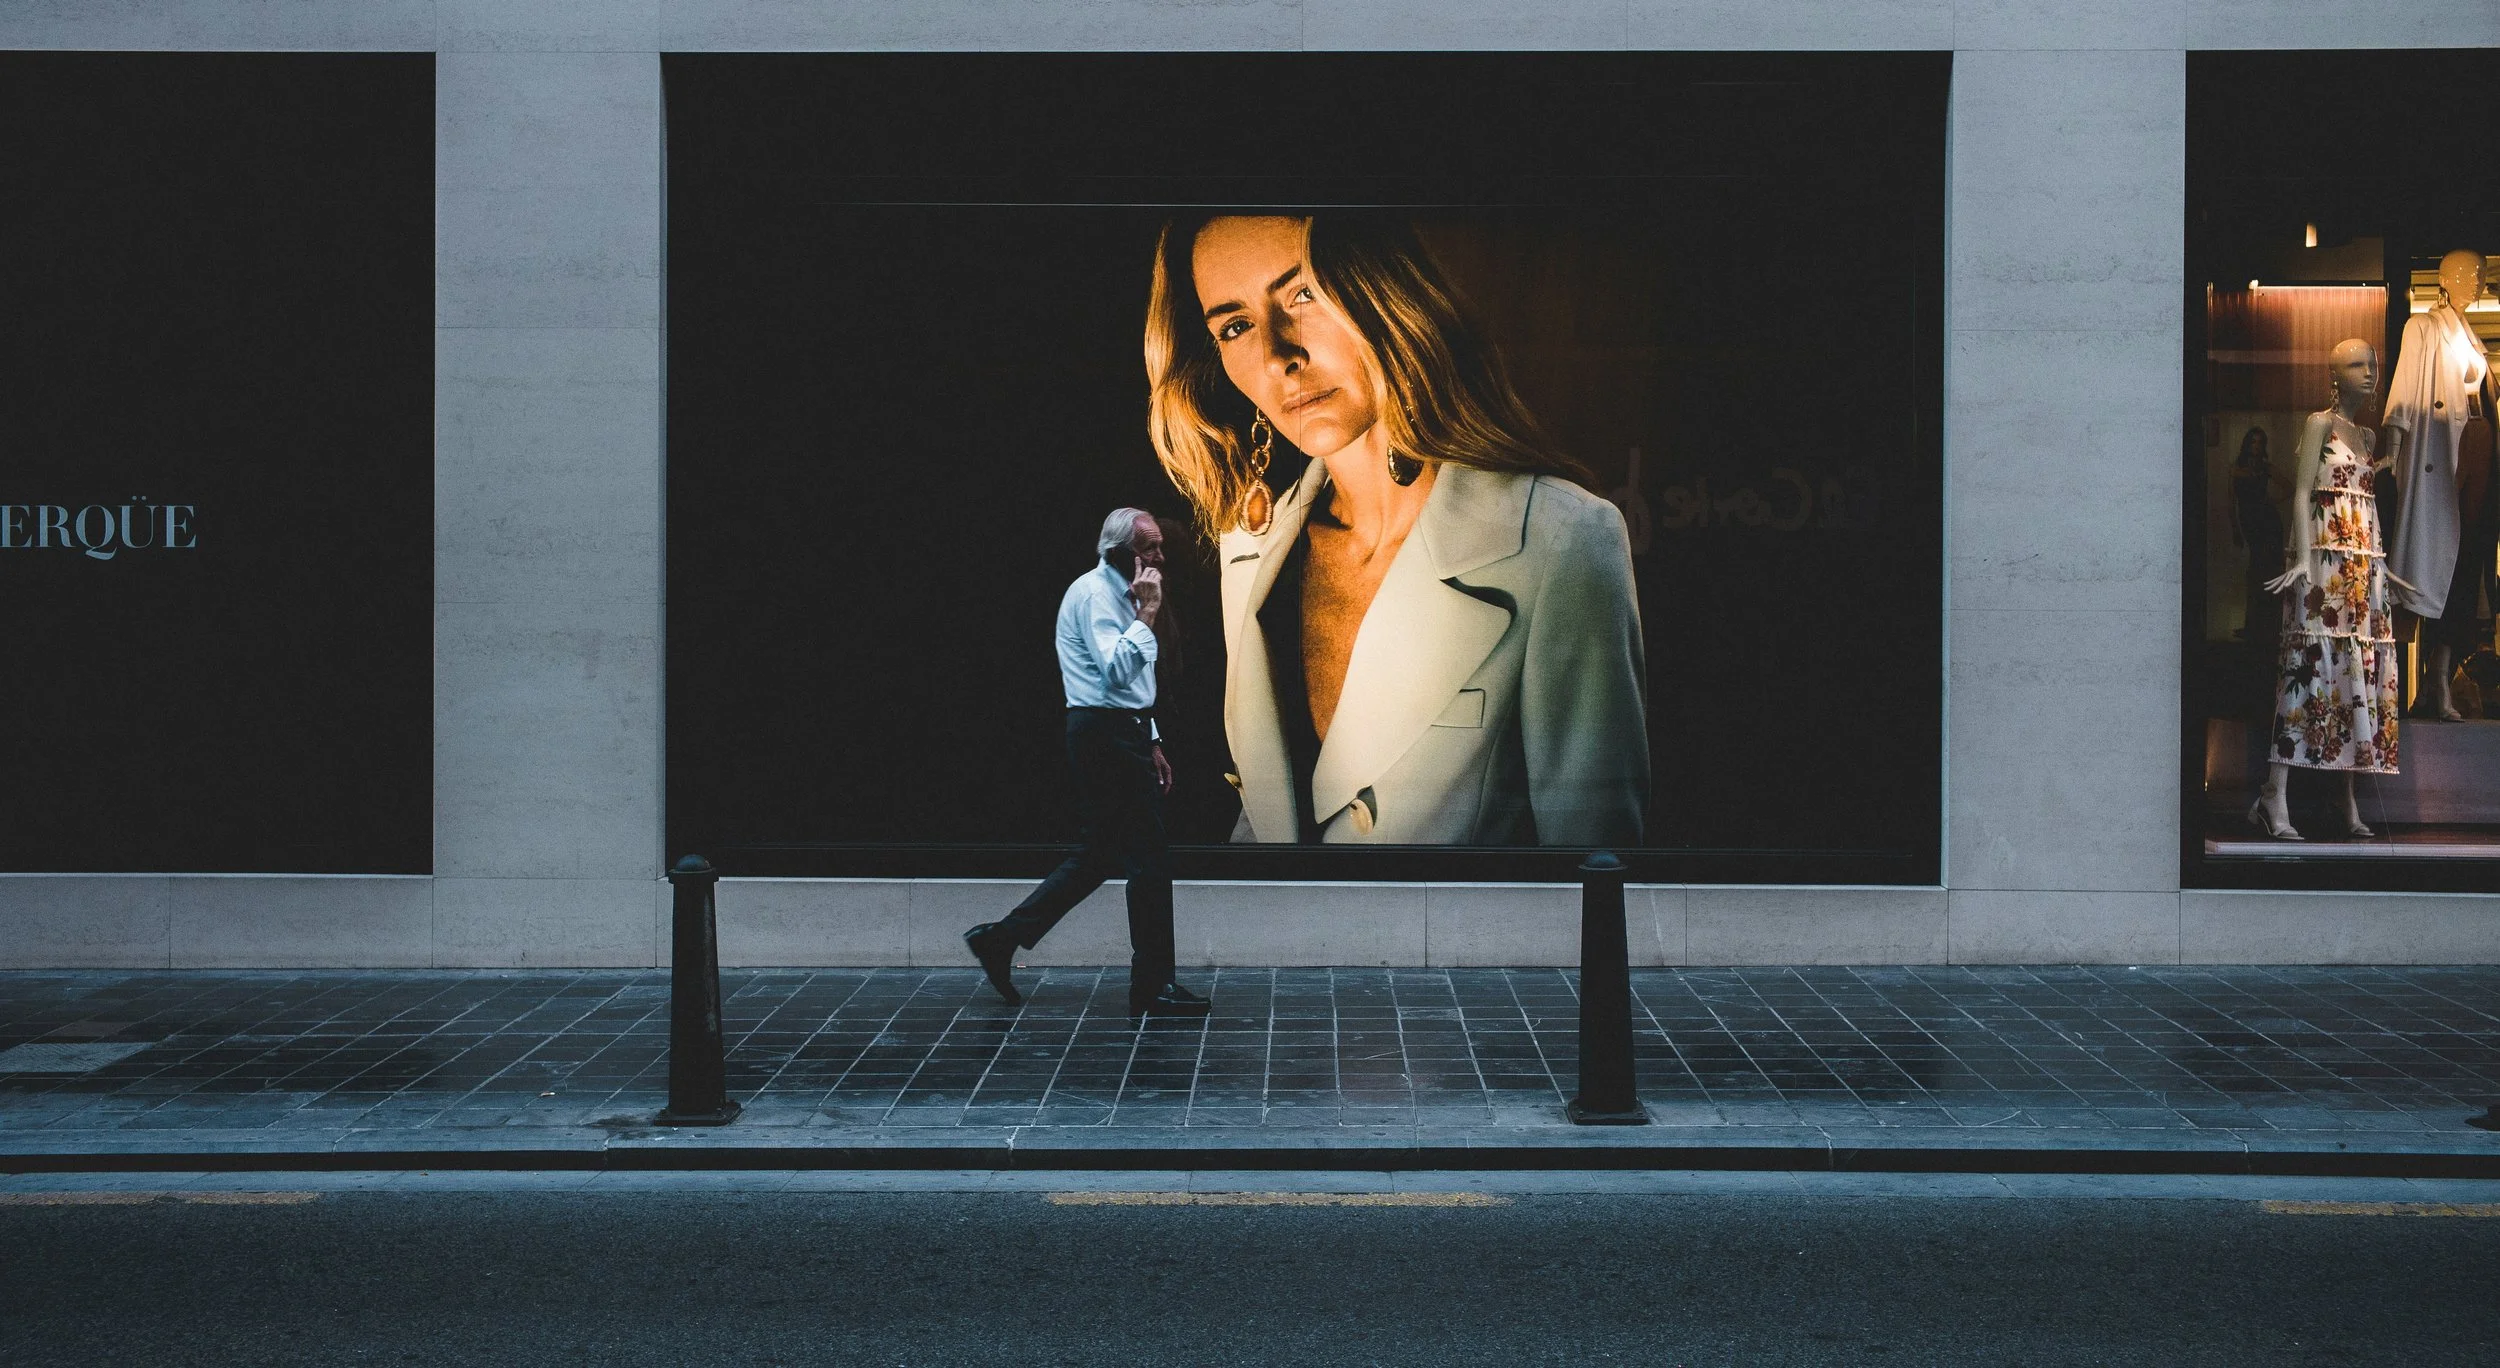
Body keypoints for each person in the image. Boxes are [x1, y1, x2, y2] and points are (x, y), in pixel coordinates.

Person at [1143, 213, 1648, 846]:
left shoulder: (1561, 542)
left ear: (1381, 291)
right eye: (1235, 326)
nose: (1277, 357)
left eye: (1303, 294)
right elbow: (1278, 821)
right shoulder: (1250, 550)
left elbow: (1594, 882)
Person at [962, 508, 1210, 1018]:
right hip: (1104, 734)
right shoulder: (1096, 595)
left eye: (1159, 547)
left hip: (1122, 731)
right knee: (1148, 861)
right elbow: (1117, 673)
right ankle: (1152, 986)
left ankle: (1002, 938)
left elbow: (1135, 689)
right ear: (1118, 552)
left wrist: (1153, 739)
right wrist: (1148, 613)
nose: (1159, 558)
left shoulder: (1121, 593)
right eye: (1149, 549)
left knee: (1101, 855)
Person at [2250, 339, 2399, 841]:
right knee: (2307, 669)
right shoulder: (2320, 423)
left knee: (2356, 671)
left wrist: (2382, 564)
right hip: (2320, 575)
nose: (2369, 373)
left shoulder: (2368, 436)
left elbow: (2365, 506)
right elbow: (2299, 490)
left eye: (2373, 364)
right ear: (2334, 374)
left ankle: (2347, 798)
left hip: (2360, 575)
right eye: (2358, 365)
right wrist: (2304, 559)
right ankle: (2275, 792)